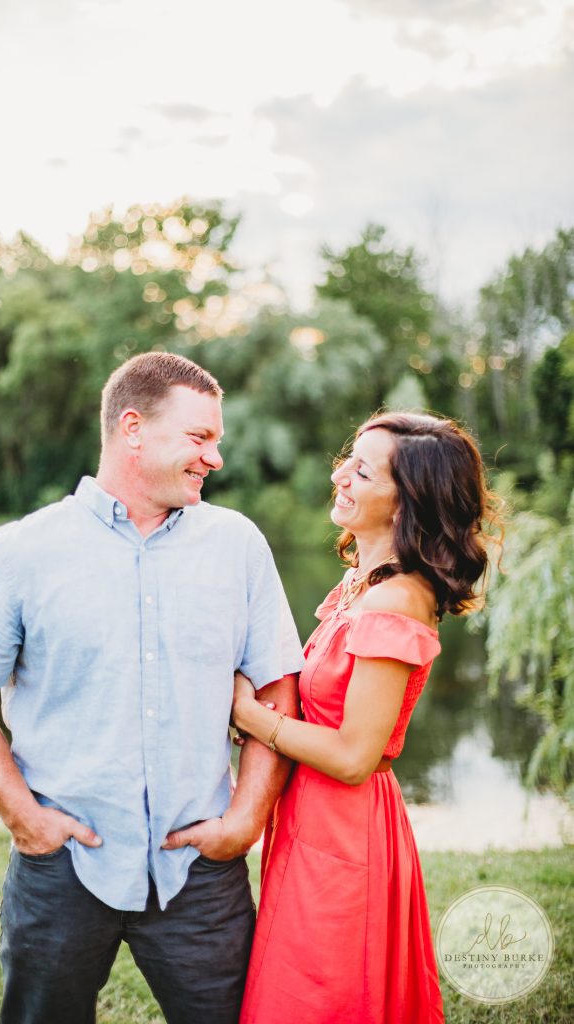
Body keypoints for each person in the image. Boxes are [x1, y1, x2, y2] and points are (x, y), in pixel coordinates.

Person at [0, 352, 304, 1024]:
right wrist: (23, 816)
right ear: (132, 428)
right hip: (63, 869)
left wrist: (245, 818)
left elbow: (276, 686)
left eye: (214, 441)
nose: (213, 458)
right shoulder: (22, 551)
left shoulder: (237, 546)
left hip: (200, 874)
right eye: (199, 438)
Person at [232, 411, 502, 1024]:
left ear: (407, 503)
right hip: (311, 818)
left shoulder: (396, 603)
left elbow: (356, 757)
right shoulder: (363, 583)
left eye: (361, 471)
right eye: (346, 461)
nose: (340, 476)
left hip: (343, 829)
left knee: (321, 998)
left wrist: (251, 716)